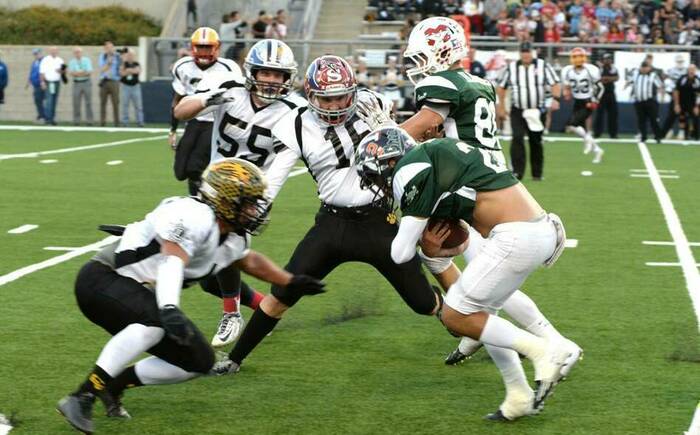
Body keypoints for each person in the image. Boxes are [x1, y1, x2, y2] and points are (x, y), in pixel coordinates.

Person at [210, 55, 443, 376]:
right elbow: (277, 173)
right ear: (311, 95)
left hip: (380, 221)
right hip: (332, 224)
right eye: (326, 98)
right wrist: (258, 205)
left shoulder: (370, 106)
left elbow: (406, 144)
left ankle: (464, 322)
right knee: (283, 294)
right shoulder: (295, 123)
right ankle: (234, 360)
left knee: (423, 304)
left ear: (353, 92)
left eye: (340, 97)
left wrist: (394, 129)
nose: (333, 105)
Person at [56, 158, 325, 434]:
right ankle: (82, 396)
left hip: (139, 291)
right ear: (225, 200)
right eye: (248, 203)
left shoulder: (233, 236)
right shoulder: (194, 215)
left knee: (199, 361)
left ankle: (114, 385)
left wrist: (290, 280)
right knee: (154, 324)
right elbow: (173, 260)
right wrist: (170, 309)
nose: (255, 210)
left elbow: (247, 261)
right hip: (102, 279)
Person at [354, 126, 580, 420]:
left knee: (455, 315)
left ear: (388, 162)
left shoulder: (410, 169)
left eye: (374, 174)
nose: (377, 183)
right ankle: (518, 395)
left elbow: (400, 253)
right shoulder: (437, 151)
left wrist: (425, 247)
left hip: (516, 236)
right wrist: (436, 248)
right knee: (483, 317)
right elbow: (460, 226)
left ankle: (543, 349)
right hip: (535, 229)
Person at [174, 39, 303, 347]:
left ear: (288, 78)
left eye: (278, 74)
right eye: (265, 73)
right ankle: (262, 307)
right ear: (252, 72)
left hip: (253, 192)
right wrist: (207, 99)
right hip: (215, 185)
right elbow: (181, 111)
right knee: (207, 277)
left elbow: (298, 153)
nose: (271, 80)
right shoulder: (231, 89)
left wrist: (263, 198)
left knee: (227, 246)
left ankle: (231, 313)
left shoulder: (295, 109)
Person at [169, 27, 242, 195]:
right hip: (194, 120)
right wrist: (173, 130)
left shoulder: (229, 68)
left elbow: (238, 99)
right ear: (192, 47)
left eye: (207, 47)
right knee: (180, 171)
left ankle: (201, 200)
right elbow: (177, 100)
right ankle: (201, 194)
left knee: (196, 167)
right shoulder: (183, 66)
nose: (203, 51)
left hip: (216, 121)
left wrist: (235, 127)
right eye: (200, 47)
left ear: (217, 47)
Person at [496, 41, 561, 180]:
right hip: (518, 110)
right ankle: (517, 173)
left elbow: (555, 83)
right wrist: (501, 106)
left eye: (528, 51)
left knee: (535, 141)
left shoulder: (543, 66)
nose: (526, 54)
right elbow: (501, 87)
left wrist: (556, 99)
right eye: (523, 52)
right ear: (520, 53)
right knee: (517, 139)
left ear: (532, 52)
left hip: (537, 110)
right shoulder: (511, 68)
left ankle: (537, 174)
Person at [560, 47, 605, 163]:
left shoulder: (591, 70)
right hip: (577, 101)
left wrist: (595, 101)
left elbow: (600, 87)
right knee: (578, 128)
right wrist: (567, 93)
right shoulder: (567, 71)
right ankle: (597, 150)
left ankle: (588, 141)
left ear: (584, 57)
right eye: (575, 57)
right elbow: (567, 87)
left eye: (580, 56)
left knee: (571, 125)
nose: (578, 59)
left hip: (588, 102)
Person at [627, 61, 664, 145]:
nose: (644, 69)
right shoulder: (635, 74)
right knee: (641, 120)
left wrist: (662, 96)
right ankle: (643, 136)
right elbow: (630, 81)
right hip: (639, 101)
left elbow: (660, 86)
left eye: (645, 67)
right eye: (642, 67)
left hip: (650, 101)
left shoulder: (653, 75)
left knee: (653, 119)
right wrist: (627, 86)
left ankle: (657, 136)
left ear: (649, 68)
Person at [661, 54, 689, 139]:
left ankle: (681, 131)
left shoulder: (686, 71)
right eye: (678, 62)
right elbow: (664, 79)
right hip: (673, 94)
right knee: (671, 114)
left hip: (684, 95)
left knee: (682, 114)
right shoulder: (671, 70)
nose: (680, 63)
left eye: (681, 62)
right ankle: (669, 130)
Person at [593, 52, 619, 139]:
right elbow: (599, 79)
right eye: (606, 59)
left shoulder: (613, 68)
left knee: (613, 114)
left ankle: (613, 133)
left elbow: (616, 78)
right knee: (599, 114)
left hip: (611, 93)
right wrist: (609, 79)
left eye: (609, 59)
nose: (608, 60)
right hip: (601, 93)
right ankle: (597, 133)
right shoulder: (599, 69)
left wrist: (607, 78)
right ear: (603, 60)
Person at [672, 64, 700, 140]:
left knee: (696, 119)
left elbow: (699, 95)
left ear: (695, 71)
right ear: (688, 70)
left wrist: (697, 107)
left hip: (693, 104)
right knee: (682, 117)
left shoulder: (697, 80)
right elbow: (676, 91)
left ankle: (696, 136)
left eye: (693, 69)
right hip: (682, 102)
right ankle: (683, 134)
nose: (691, 71)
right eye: (690, 69)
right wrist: (677, 104)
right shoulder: (682, 78)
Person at [68, 46, 94, 126]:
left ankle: (89, 121)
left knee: (88, 102)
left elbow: (89, 72)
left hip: (86, 82)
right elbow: (72, 73)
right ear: (74, 54)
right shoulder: (72, 62)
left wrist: (78, 73)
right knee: (76, 103)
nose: (77, 54)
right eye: (76, 52)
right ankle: (77, 120)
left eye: (78, 52)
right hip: (77, 83)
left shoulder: (87, 60)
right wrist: (82, 73)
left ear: (81, 53)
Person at [39, 46, 65, 125]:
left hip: (56, 82)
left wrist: (61, 71)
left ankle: (52, 118)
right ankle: (48, 119)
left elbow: (64, 72)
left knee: (54, 101)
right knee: (49, 101)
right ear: (50, 51)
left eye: (55, 50)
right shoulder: (45, 60)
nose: (54, 51)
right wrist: (42, 82)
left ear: (57, 51)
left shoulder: (60, 60)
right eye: (52, 50)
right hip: (48, 82)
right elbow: (42, 72)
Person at [119, 49, 144, 127]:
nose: (130, 57)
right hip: (125, 86)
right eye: (129, 55)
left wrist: (128, 70)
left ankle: (140, 122)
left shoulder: (137, 63)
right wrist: (129, 71)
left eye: (132, 55)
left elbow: (138, 71)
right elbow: (121, 73)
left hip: (135, 86)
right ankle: (125, 122)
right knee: (125, 105)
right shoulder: (124, 64)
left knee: (138, 105)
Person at [98, 42, 121, 126]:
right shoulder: (102, 56)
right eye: (108, 47)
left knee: (116, 102)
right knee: (103, 102)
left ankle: (117, 123)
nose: (110, 49)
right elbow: (102, 70)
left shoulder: (117, 56)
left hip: (114, 81)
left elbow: (121, 67)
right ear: (105, 48)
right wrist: (108, 63)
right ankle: (102, 122)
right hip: (104, 81)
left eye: (111, 47)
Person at [26, 48, 46, 123]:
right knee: (37, 101)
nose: (36, 55)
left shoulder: (44, 61)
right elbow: (32, 72)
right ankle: (40, 116)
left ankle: (42, 117)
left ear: (40, 53)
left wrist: (43, 82)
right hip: (35, 85)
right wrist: (29, 81)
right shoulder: (35, 62)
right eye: (34, 54)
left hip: (41, 84)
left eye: (37, 54)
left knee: (40, 100)